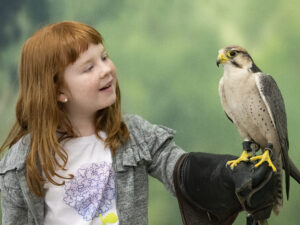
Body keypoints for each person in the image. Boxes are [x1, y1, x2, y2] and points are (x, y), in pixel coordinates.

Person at [0, 21, 277, 225]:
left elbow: (179, 170)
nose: (106, 69)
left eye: (104, 57)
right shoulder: (20, 162)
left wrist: (224, 177)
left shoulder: (132, 135)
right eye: (89, 67)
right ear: (58, 91)